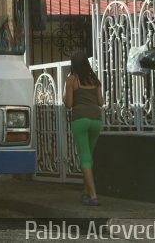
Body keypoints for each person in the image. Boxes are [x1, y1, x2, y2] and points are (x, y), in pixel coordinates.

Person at [64, 51, 104, 206]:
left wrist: (65, 97)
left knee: (85, 158)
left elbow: (68, 104)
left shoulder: (72, 80)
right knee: (89, 157)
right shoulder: (95, 80)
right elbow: (100, 102)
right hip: (96, 120)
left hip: (80, 120)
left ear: (73, 65)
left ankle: (93, 196)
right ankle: (85, 193)